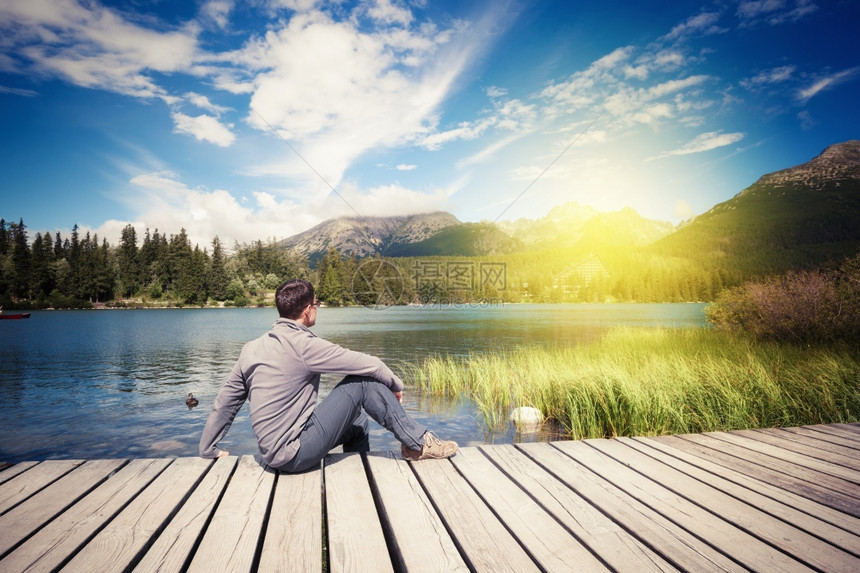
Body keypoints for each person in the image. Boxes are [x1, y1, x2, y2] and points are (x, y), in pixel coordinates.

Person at [198, 279, 458, 472]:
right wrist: (396, 385)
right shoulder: (304, 345)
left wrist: (208, 448)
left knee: (357, 423)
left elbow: (225, 402)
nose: (317, 308)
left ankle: (360, 472)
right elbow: (371, 364)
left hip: (270, 454)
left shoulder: (250, 349)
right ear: (308, 310)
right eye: (317, 304)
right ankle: (418, 443)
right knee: (362, 383)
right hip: (293, 455)